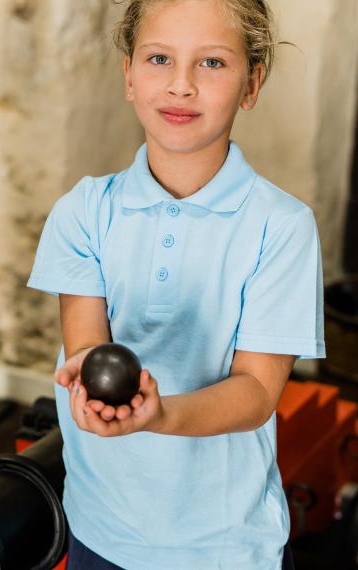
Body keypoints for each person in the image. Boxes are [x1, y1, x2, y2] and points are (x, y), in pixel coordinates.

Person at [27, 0, 325, 568]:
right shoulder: (85, 210)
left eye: (211, 63)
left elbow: (257, 393)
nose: (180, 85)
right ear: (129, 76)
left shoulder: (281, 227)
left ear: (251, 83)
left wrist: (159, 416)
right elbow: (88, 342)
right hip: (100, 528)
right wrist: (89, 380)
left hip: (225, 546)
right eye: (159, 58)